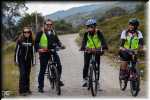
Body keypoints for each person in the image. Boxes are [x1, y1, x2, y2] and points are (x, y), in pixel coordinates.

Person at [35, 19, 65, 93]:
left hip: (52, 51)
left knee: (59, 65)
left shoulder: (53, 32)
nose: (49, 26)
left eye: (50, 25)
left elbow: (57, 41)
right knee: (42, 69)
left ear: (52, 25)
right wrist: (39, 49)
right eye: (47, 24)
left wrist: (61, 45)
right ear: (44, 25)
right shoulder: (40, 33)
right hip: (44, 52)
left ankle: (58, 79)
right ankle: (40, 87)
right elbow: (36, 43)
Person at [80, 18, 108, 87]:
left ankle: (97, 81)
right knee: (86, 64)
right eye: (88, 27)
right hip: (88, 50)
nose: (90, 28)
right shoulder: (86, 34)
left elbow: (103, 42)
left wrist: (103, 47)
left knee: (97, 66)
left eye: (91, 26)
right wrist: (83, 47)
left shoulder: (99, 33)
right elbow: (84, 42)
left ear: (95, 26)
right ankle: (85, 79)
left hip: (97, 51)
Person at [14, 27, 35, 96]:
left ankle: (27, 89)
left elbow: (33, 52)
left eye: (28, 32)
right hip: (21, 61)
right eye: (25, 32)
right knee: (22, 74)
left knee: (27, 75)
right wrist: (16, 60)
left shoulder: (32, 41)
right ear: (23, 33)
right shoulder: (20, 40)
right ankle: (22, 91)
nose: (26, 33)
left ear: (30, 33)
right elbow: (16, 51)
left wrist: (33, 62)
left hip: (28, 61)